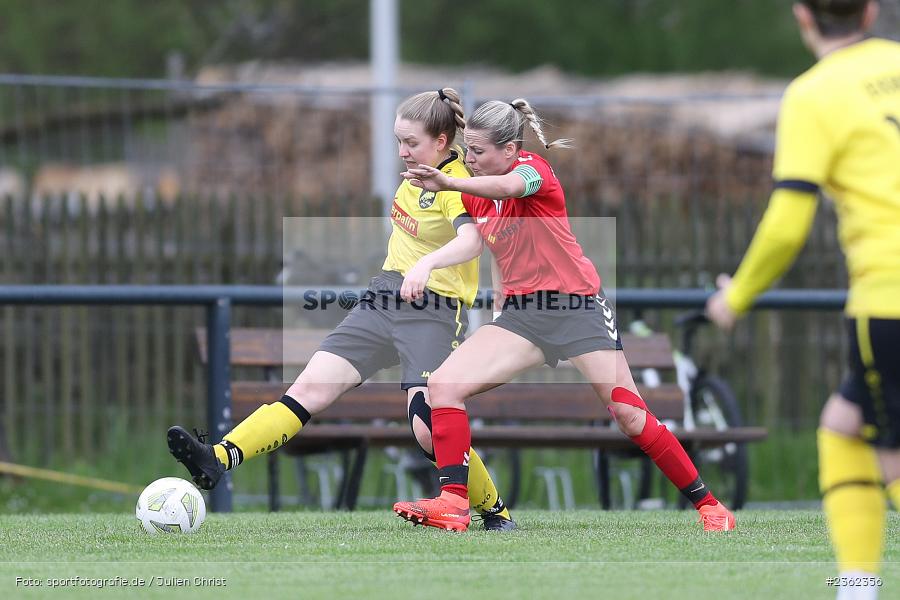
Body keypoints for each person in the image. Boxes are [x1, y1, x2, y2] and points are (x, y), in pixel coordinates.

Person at [167, 88, 517, 531]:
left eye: (411, 142)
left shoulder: (454, 183)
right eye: (398, 141)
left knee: (428, 429)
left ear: (443, 141)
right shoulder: (413, 178)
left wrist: (427, 265)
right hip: (382, 299)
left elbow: (471, 240)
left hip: (433, 310)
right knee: (308, 389)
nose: (402, 151)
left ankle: (493, 510)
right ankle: (216, 458)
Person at [392, 97, 736, 532]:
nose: (472, 161)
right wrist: (501, 300)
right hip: (525, 316)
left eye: (479, 152)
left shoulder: (533, 170)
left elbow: (509, 190)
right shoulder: (477, 189)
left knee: (630, 416)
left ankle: (711, 507)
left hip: (577, 307)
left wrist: (451, 184)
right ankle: (454, 504)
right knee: (441, 385)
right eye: (470, 151)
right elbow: (496, 245)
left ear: (512, 149)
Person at [705, 1, 900, 596]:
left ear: (803, 18)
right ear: (870, 11)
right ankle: (858, 583)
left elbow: (789, 223)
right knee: (842, 426)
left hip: (889, 299)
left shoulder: (815, 93)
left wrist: (737, 295)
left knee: (892, 458)